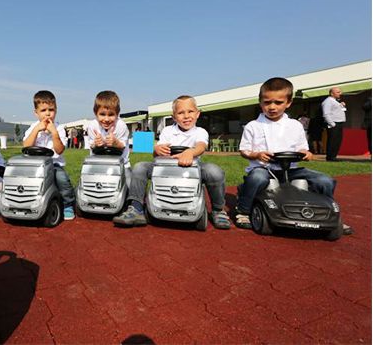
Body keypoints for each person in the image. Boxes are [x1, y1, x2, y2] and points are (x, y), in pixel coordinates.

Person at [233, 77, 352, 235]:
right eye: (267, 102)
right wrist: (257, 154)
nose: (272, 107)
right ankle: (243, 210)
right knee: (257, 179)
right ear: (260, 102)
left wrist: (306, 153)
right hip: (264, 168)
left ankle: (330, 214)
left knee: (325, 180)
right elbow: (244, 150)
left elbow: (302, 147)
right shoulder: (253, 126)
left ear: (288, 103)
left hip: (292, 168)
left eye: (278, 102)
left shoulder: (295, 126)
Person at [113, 95, 230, 229]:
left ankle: (218, 210)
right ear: (174, 117)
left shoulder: (200, 132)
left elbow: (201, 146)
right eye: (181, 113)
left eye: (190, 111)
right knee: (140, 167)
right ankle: (136, 208)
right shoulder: (168, 131)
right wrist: (157, 149)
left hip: (192, 168)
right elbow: (157, 154)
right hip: (166, 167)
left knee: (214, 171)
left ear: (198, 114)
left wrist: (190, 153)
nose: (186, 116)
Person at [23, 90, 76, 220]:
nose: (48, 114)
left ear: (56, 111)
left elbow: (59, 150)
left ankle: (68, 204)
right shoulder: (33, 127)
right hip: (35, 165)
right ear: (36, 113)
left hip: (54, 164)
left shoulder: (59, 128)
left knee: (62, 178)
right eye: (43, 110)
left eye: (51, 110)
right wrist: (36, 130)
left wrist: (54, 133)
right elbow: (26, 146)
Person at [86, 90, 131, 185]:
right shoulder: (92, 126)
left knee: (129, 182)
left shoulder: (121, 125)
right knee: (87, 180)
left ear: (117, 114)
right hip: (98, 163)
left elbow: (122, 146)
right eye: (102, 114)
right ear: (95, 113)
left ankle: (133, 199)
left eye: (111, 115)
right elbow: (91, 146)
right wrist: (95, 144)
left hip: (121, 164)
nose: (106, 119)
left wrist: (116, 143)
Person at [321, 87, 346, 161]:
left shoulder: (335, 101)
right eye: (338, 92)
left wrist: (342, 105)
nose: (340, 93)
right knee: (332, 141)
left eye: (340, 92)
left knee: (337, 141)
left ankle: (333, 156)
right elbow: (326, 114)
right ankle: (330, 157)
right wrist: (332, 124)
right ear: (332, 93)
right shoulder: (328, 101)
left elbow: (338, 111)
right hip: (334, 124)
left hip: (338, 123)